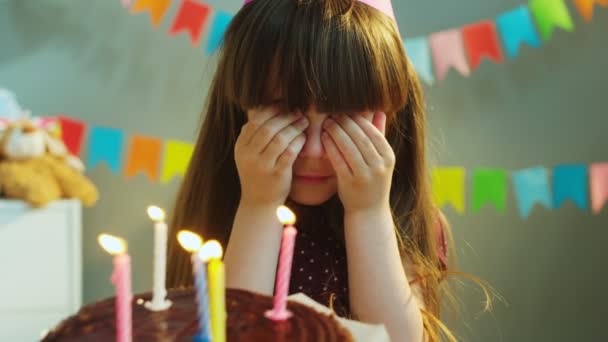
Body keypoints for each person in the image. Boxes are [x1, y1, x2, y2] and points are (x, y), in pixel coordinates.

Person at [167, 0, 491, 340]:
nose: (314, 151)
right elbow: (228, 334)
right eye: (285, 113)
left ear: (390, 114)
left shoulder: (404, 216)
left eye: (344, 117)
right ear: (240, 107)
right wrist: (258, 205)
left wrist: (368, 212)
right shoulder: (219, 209)